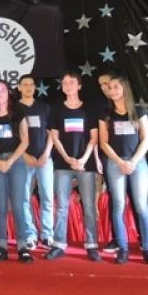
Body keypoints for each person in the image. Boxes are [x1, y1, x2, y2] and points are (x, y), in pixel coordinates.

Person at [98, 75, 148, 265]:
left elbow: (146, 139)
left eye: (116, 87)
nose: (112, 90)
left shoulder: (139, 111)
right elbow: (103, 142)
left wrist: (132, 161)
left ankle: (147, 248)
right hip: (115, 163)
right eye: (109, 88)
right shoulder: (106, 114)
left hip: (137, 162)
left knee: (141, 206)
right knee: (118, 205)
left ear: (124, 88)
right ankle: (123, 248)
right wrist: (119, 162)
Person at [46, 71, 101, 262]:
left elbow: (94, 138)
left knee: (89, 206)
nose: (68, 85)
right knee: (62, 206)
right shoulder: (56, 110)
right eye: (65, 82)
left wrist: (83, 159)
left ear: (79, 86)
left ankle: (91, 245)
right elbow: (54, 137)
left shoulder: (89, 110)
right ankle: (59, 244)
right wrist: (67, 158)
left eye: (71, 82)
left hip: (86, 164)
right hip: (63, 164)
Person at [0, 80, 33, 263]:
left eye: (2, 90)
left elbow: (25, 141)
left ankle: (23, 247)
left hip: (16, 162)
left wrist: (10, 161)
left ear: (9, 92)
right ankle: (1, 246)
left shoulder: (19, 113)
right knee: (1, 206)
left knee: (18, 205)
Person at [16, 74, 54, 252]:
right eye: (25, 84)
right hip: (23, 159)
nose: (29, 87)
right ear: (19, 88)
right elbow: (13, 136)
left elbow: (52, 133)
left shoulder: (44, 107)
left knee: (47, 197)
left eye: (31, 84)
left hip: (45, 158)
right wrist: (24, 155)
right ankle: (30, 235)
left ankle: (47, 235)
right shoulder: (14, 108)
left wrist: (46, 153)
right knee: (24, 198)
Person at [96, 70, 119, 253]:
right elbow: (98, 138)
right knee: (115, 198)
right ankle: (117, 238)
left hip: (131, 159)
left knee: (138, 201)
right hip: (108, 157)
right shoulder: (101, 108)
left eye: (107, 84)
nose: (105, 88)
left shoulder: (128, 106)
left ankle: (145, 240)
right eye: (101, 85)